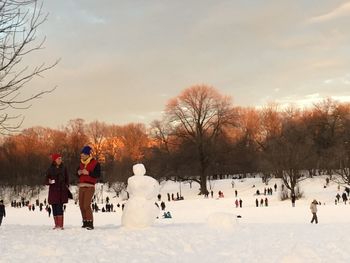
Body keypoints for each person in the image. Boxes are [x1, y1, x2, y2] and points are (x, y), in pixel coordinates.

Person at [77, 145, 101, 230]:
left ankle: (90, 223)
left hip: (90, 186)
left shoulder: (95, 163)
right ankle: (85, 222)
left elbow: (98, 174)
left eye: (83, 154)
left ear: (88, 155)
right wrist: (78, 172)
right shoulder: (81, 163)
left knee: (86, 205)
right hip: (81, 186)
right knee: (81, 205)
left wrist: (88, 173)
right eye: (81, 155)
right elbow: (76, 173)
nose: (81, 156)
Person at [45, 153, 69, 230]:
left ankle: (61, 225)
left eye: (61, 158)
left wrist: (66, 185)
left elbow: (67, 178)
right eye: (58, 158)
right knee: (54, 208)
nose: (60, 160)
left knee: (59, 207)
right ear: (55, 160)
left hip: (61, 190)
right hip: (53, 191)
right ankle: (56, 224)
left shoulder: (64, 168)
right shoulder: (50, 168)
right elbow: (46, 180)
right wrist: (50, 181)